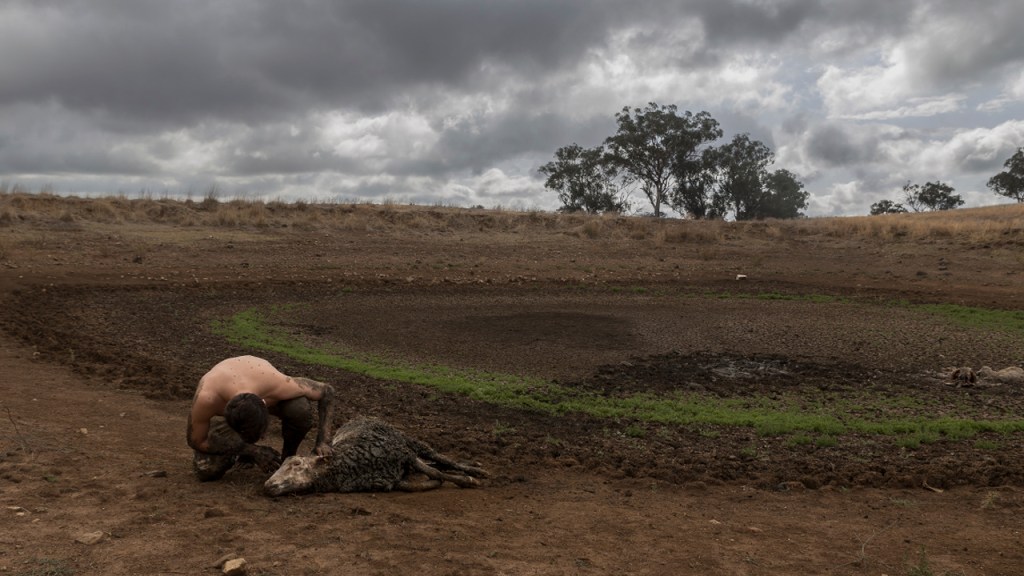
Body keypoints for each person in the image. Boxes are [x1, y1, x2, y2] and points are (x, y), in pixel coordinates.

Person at [187, 355, 337, 482]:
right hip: (227, 396)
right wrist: (251, 451)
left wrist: (323, 441)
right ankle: (240, 455)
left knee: (300, 409)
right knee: (206, 469)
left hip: (259, 379)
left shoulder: (278, 384)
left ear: (265, 405)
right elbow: (195, 440)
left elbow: (327, 391)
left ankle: (287, 456)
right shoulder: (207, 398)